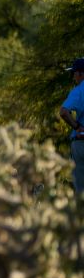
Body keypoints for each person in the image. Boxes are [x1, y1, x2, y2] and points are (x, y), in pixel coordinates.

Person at [58, 58, 84, 193]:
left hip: (81, 142)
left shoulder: (79, 90)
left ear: (81, 73)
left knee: (81, 192)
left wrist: (77, 126)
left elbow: (63, 112)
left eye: (74, 72)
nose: (73, 76)